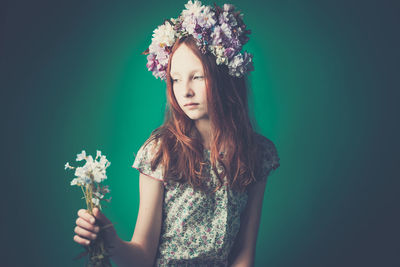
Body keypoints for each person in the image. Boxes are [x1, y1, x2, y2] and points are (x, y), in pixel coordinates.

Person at [73, 1, 280, 266]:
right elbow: (141, 258)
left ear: (224, 76)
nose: (185, 91)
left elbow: (243, 254)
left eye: (198, 76)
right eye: (176, 78)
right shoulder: (160, 151)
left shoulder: (258, 153)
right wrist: (111, 242)